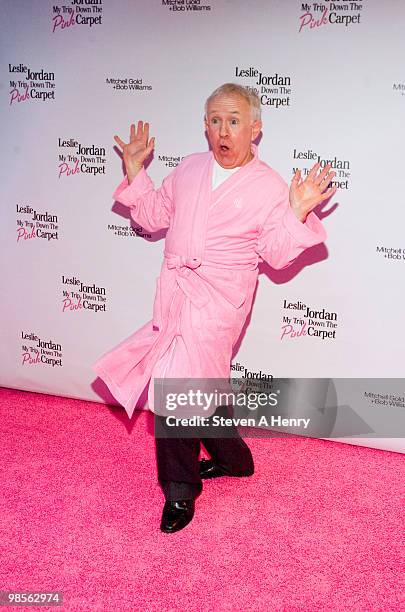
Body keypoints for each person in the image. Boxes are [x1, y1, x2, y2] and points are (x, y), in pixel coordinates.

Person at [92, 83, 337, 533]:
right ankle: (235, 460)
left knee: (176, 391)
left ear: (255, 129)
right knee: (197, 387)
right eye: (215, 121)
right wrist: (134, 170)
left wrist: (297, 211)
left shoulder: (269, 187)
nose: (223, 130)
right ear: (205, 127)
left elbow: (277, 252)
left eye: (234, 121)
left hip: (220, 302)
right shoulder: (188, 169)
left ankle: (180, 492)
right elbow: (150, 215)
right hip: (174, 295)